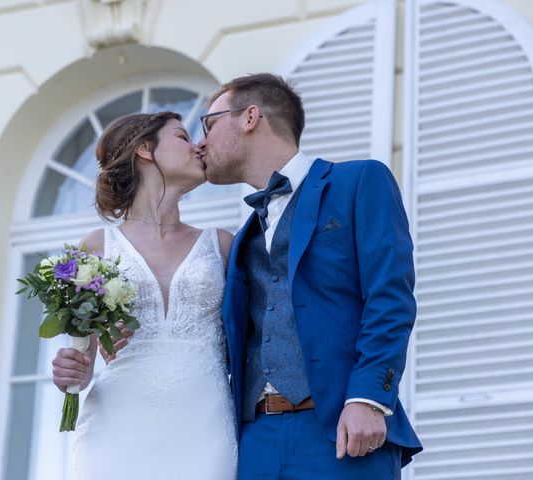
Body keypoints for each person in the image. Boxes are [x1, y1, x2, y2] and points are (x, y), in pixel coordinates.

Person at [196, 73, 423, 479]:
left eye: (209, 125)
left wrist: (369, 397)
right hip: (255, 441)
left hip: (341, 430)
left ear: (250, 117)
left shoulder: (358, 182)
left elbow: (390, 297)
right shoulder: (244, 233)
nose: (201, 143)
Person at [51, 111, 238, 479]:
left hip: (206, 426)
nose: (199, 145)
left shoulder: (222, 245)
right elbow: (82, 360)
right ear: (145, 150)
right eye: (183, 137)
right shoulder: (95, 248)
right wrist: (72, 370)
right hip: (119, 427)